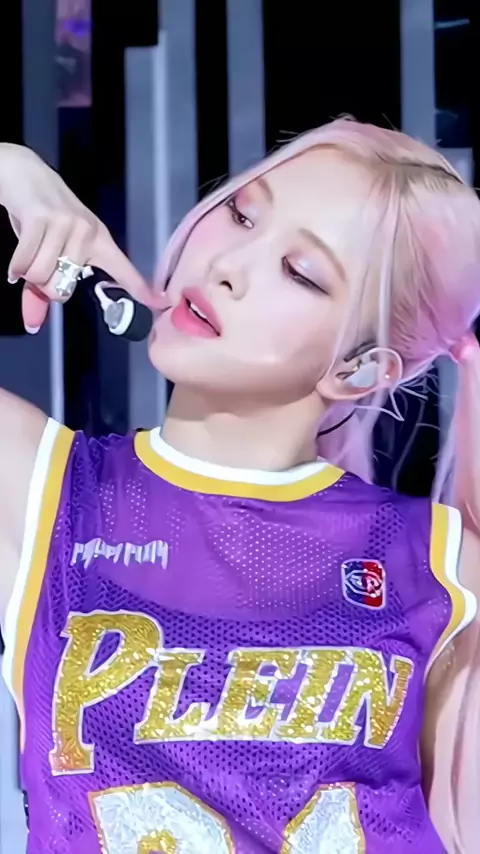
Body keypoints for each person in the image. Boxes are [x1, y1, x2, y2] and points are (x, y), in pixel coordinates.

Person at [0, 119, 479, 854]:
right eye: (242, 213)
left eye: (300, 272)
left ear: (359, 368)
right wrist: (14, 171)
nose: (228, 265)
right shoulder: (44, 489)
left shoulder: (441, 564)